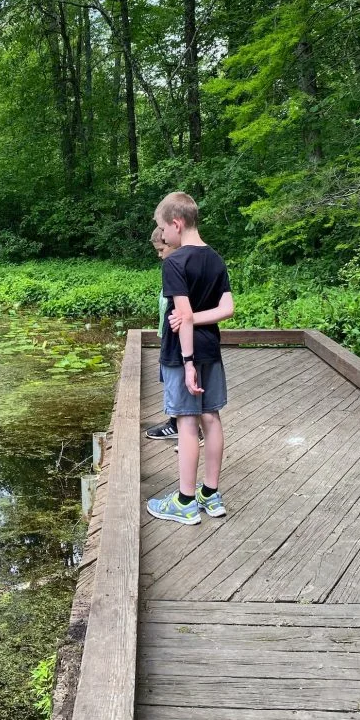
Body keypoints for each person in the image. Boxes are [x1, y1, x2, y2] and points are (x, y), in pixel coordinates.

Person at [147, 191, 234, 525]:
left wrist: (186, 363)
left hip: (182, 354)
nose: (163, 235)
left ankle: (184, 501)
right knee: (210, 418)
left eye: (162, 228)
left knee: (186, 422)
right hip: (211, 349)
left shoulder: (175, 261)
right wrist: (196, 318)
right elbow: (227, 309)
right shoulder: (215, 258)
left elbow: (182, 315)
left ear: (177, 223)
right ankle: (211, 495)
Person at [146, 226, 204, 444]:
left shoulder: (180, 268)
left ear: (173, 242)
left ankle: (186, 429)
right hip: (168, 338)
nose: (160, 256)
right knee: (172, 383)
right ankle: (175, 422)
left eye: (162, 250)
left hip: (181, 340)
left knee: (180, 383)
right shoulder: (171, 269)